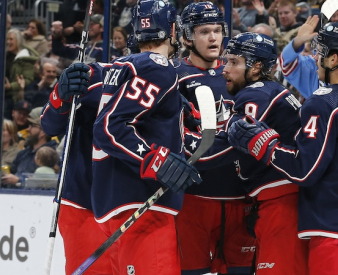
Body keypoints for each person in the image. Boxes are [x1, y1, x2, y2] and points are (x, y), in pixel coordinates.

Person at [228, 22, 338, 274]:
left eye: (319, 52)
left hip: (337, 229)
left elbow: (304, 171)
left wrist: (262, 143)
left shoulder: (323, 102)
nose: (315, 58)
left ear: (334, 58)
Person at [92, 0, 201, 274]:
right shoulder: (159, 67)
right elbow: (109, 127)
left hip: (115, 204)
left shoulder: (123, 64)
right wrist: (157, 160)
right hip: (143, 207)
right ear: (173, 29)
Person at [184, 32, 308, 274]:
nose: (224, 69)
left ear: (256, 67)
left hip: (284, 203)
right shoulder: (270, 91)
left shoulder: (256, 94)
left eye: (233, 62)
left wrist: (178, 142)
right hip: (280, 200)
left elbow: (223, 149)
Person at [175, 2, 255, 274]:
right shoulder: (174, 76)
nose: (213, 38)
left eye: (218, 30)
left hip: (239, 198)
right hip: (193, 198)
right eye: (204, 31)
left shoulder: (235, 73)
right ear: (187, 36)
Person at [41, 61, 114, 274]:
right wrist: (60, 95)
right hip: (84, 202)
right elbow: (49, 124)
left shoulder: (169, 78)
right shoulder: (96, 74)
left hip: (138, 201)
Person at [2, 107, 57, 188]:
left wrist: (19, 181)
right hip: (12, 195)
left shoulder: (50, 155)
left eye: (32, 126)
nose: (28, 129)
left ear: (42, 132)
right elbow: (11, 171)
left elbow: (48, 182)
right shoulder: (23, 153)